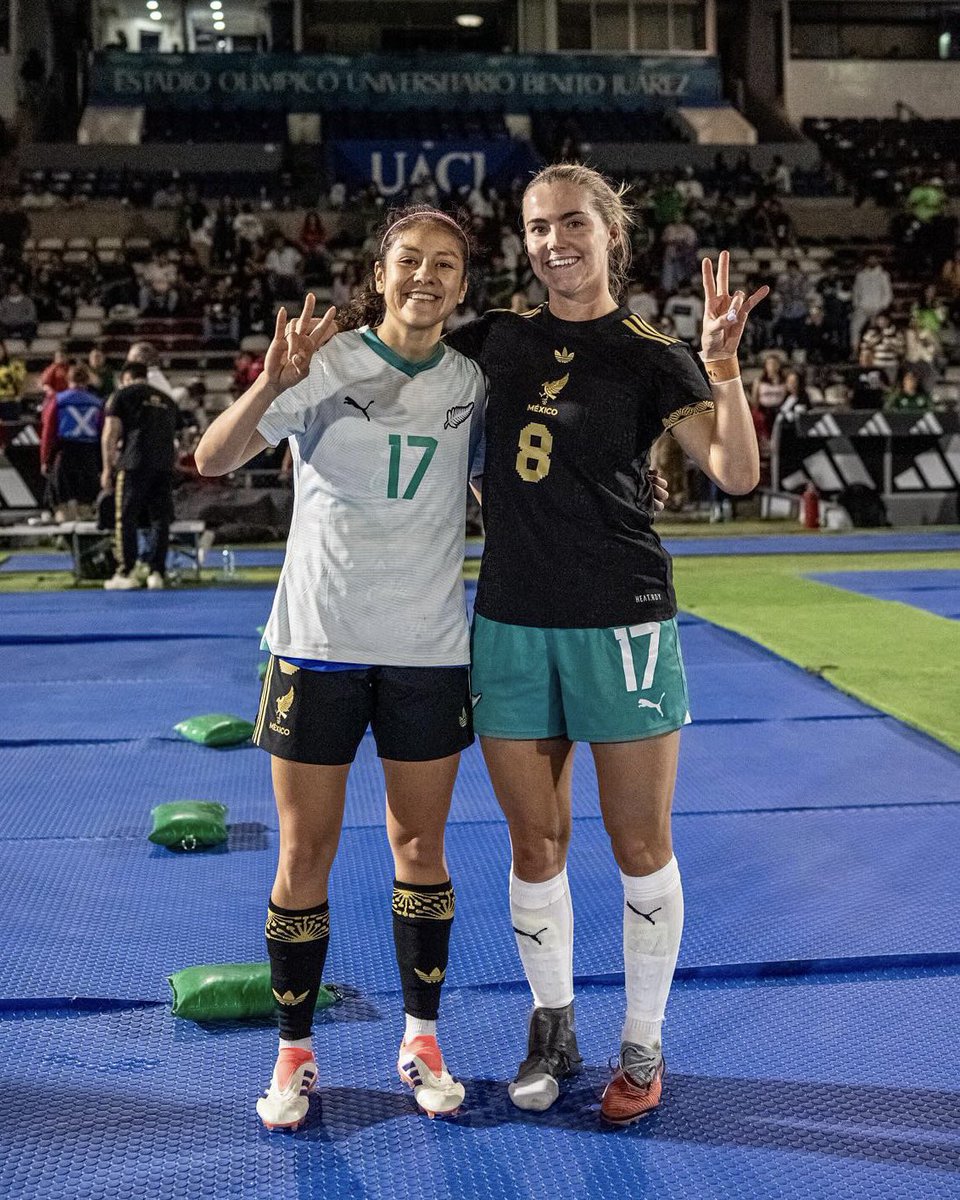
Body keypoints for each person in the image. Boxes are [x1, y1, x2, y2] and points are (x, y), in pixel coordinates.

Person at [442, 162, 765, 1125]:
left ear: (609, 232)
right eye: (538, 227)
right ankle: (553, 1027)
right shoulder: (494, 339)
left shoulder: (653, 350)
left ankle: (644, 1039)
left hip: (620, 617)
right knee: (533, 841)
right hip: (508, 619)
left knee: (637, 842)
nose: (554, 242)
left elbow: (737, 472)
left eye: (572, 223)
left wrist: (725, 367)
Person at [193, 206, 488, 1133]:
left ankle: (422, 1041)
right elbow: (211, 458)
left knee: (420, 851)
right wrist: (266, 387)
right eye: (410, 259)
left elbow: (504, 485)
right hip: (316, 644)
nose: (426, 276)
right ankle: (293, 1054)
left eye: (446, 264)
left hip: (427, 651)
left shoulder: (475, 382)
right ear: (381, 271)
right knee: (303, 854)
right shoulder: (322, 362)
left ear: (463, 285)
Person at [99, 360, 179, 590]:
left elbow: (110, 433)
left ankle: (127, 571)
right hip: (164, 465)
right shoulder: (167, 400)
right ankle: (156, 572)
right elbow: (177, 436)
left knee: (126, 517)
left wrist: (107, 468)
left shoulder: (122, 395)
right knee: (160, 519)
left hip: (134, 463)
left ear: (126, 377)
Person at [39, 363, 104, 521]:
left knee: (62, 502)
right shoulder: (97, 403)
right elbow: (103, 432)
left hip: (65, 452)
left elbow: (48, 432)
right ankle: (86, 541)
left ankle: (64, 536)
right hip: (89, 453)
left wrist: (45, 459)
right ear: (87, 380)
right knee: (86, 502)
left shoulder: (58, 401)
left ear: (68, 379)